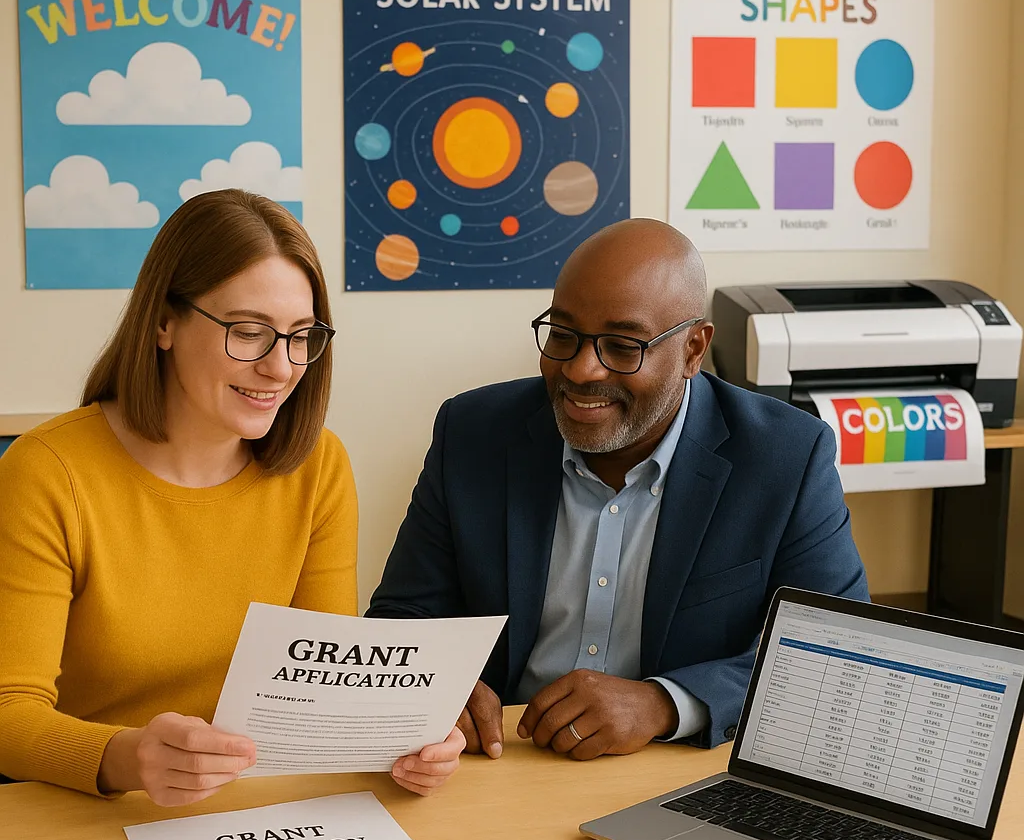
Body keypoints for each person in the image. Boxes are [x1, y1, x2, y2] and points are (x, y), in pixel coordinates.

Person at [0, 189, 462, 803]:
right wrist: (128, 758)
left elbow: (322, 687)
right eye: (249, 333)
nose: (282, 367)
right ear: (164, 321)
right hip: (86, 816)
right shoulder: (48, 470)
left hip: (258, 808)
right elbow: (10, 712)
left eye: (301, 336)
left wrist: (404, 737)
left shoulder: (318, 465)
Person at [367, 218, 870, 761]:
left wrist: (665, 705)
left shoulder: (785, 457)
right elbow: (402, 619)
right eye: (562, 335)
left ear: (693, 350)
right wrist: (434, 686)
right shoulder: (473, 432)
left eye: (623, 346)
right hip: (500, 761)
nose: (582, 370)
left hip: (673, 769)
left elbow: (835, 652)